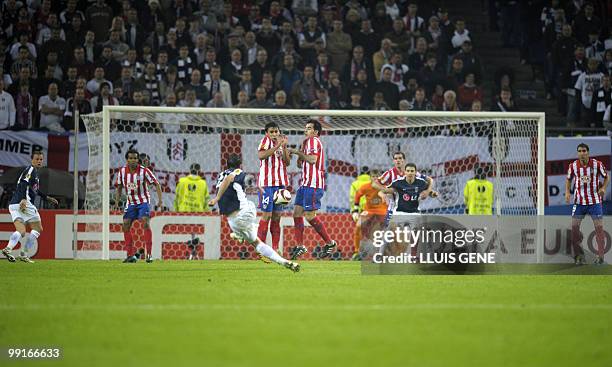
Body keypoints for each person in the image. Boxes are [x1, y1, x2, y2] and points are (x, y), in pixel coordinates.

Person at [208, 155, 299, 272]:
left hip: (233, 222)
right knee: (252, 206)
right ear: (240, 165)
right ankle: (239, 235)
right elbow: (232, 178)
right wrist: (217, 198)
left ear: (226, 164)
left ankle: (285, 262)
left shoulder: (221, 175)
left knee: (258, 243)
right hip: (244, 213)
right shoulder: (237, 172)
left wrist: (218, 200)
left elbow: (226, 183)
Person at [287, 119, 336, 259]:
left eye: (309, 128)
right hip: (305, 184)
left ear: (315, 132)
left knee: (309, 216)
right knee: (296, 214)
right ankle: (300, 246)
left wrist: (296, 152)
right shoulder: (307, 143)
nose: (306, 130)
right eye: (305, 128)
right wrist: (299, 157)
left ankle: (330, 242)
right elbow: (301, 164)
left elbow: (313, 160)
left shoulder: (314, 141)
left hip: (313, 184)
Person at [2, 150, 58, 263]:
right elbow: (24, 183)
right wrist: (23, 199)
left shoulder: (35, 173)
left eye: (41, 159)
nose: (39, 161)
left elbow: (35, 190)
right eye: (36, 159)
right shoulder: (31, 170)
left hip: (13, 205)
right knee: (38, 229)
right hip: (25, 203)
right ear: (31, 160)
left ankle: (8, 248)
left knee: (21, 231)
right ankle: (24, 253)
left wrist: (46, 197)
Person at [114, 149, 163, 263]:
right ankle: (130, 255)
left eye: (135, 158)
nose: (133, 160)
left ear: (138, 160)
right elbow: (119, 187)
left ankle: (149, 255)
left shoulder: (144, 171)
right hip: (130, 202)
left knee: (145, 222)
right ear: (127, 159)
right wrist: (117, 202)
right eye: (130, 158)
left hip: (143, 201)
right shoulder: (122, 172)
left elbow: (156, 184)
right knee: (126, 225)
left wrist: (160, 201)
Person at [565, 143, 609, 265]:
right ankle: (578, 256)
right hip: (579, 202)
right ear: (577, 153)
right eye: (579, 151)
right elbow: (568, 179)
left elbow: (606, 177)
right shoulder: (573, 166)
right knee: (574, 229)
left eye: (584, 151)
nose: (582, 153)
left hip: (595, 202)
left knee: (599, 229)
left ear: (588, 152)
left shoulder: (597, 164)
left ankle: (600, 257)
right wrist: (567, 192)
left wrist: (603, 188)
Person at [380, 163, 437, 257]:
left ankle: (427, 256)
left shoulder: (421, 182)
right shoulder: (398, 182)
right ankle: (379, 254)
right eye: (408, 171)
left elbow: (429, 192)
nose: (410, 173)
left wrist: (432, 194)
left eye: (412, 171)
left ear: (415, 172)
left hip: (414, 212)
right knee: (388, 230)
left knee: (423, 232)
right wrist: (383, 193)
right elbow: (386, 190)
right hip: (399, 212)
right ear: (405, 172)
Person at [257, 122, 291, 253]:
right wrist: (277, 145)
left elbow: (287, 162)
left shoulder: (281, 143)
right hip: (267, 184)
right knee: (267, 215)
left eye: (276, 131)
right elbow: (261, 156)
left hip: (281, 184)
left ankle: (276, 248)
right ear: (267, 133)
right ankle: (261, 248)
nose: (274, 134)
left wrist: (284, 147)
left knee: (277, 216)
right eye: (271, 132)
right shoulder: (265, 142)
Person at [351, 168, 388, 260]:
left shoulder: (384, 186)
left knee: (387, 230)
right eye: (373, 177)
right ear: (370, 178)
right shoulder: (365, 187)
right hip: (369, 210)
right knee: (358, 226)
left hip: (382, 211)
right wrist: (355, 211)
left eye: (377, 177)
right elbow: (357, 196)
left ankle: (385, 253)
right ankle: (356, 252)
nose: (375, 178)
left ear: (380, 178)